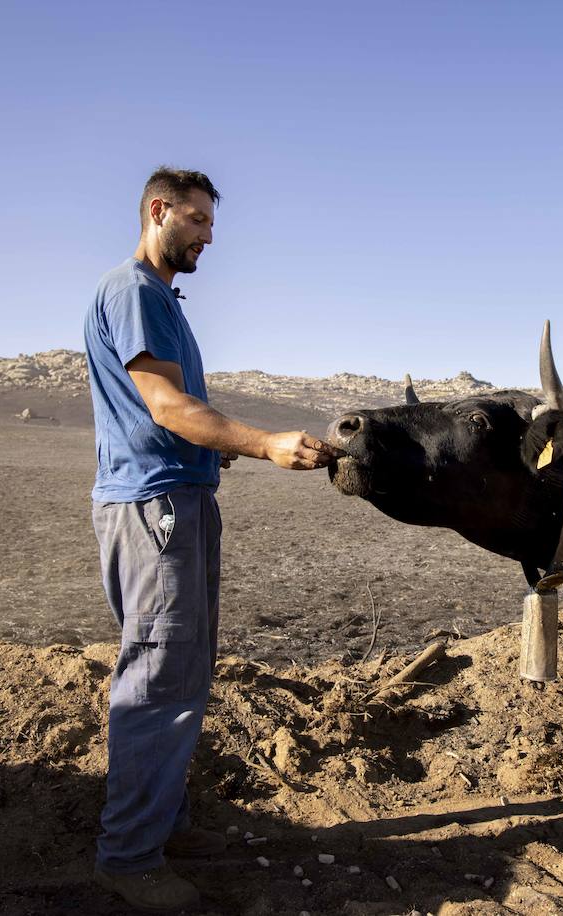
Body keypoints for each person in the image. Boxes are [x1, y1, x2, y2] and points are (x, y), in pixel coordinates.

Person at [84, 166, 337, 911]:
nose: (207, 237)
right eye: (195, 221)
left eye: (211, 225)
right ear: (158, 210)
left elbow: (167, 416)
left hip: (176, 497)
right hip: (156, 511)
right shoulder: (134, 291)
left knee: (181, 670)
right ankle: (129, 858)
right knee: (159, 678)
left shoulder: (161, 298)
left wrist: (212, 448)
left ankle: (159, 827)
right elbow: (165, 405)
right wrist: (263, 443)